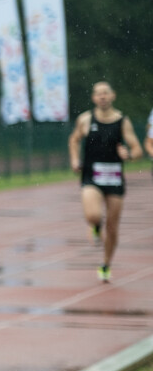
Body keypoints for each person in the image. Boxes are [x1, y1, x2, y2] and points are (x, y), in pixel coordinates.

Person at [67, 81, 143, 282]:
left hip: (114, 178)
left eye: (105, 93)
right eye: (98, 94)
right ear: (93, 98)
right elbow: (74, 139)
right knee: (93, 215)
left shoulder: (122, 121)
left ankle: (106, 264)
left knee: (113, 226)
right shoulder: (85, 119)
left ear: (113, 96)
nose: (102, 97)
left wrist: (128, 155)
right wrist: (75, 159)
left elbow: (137, 150)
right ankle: (95, 225)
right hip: (91, 176)